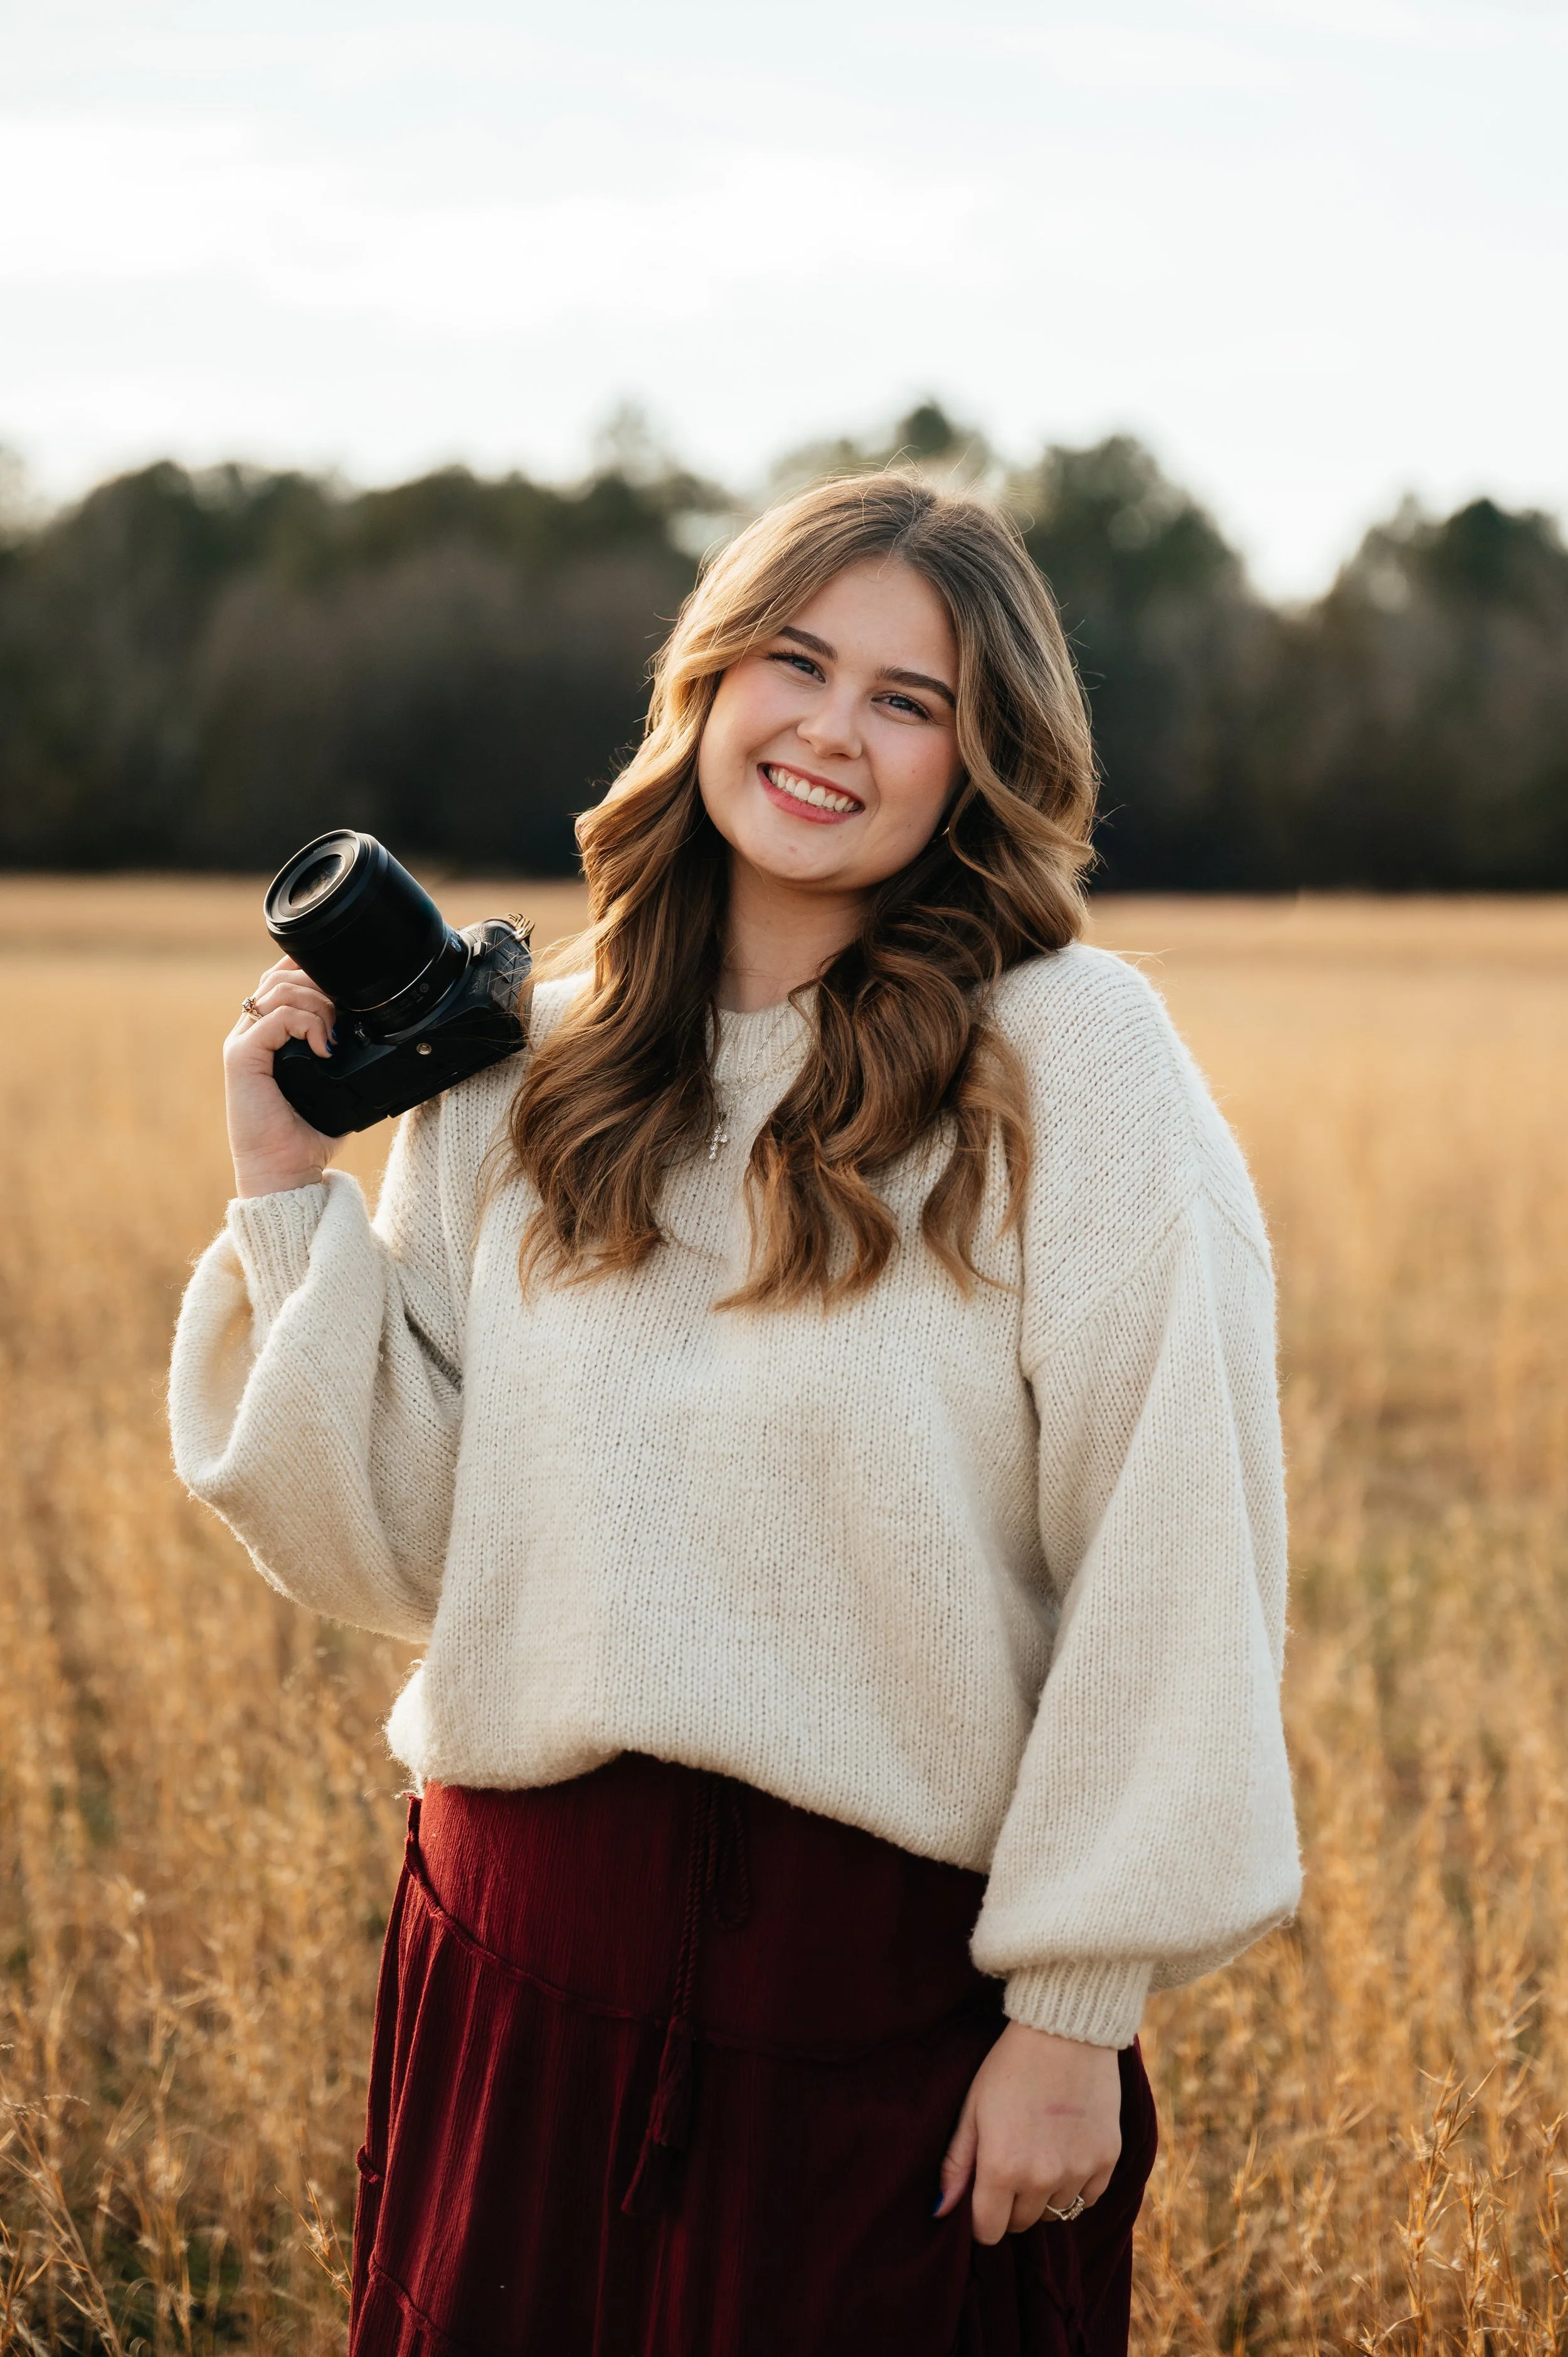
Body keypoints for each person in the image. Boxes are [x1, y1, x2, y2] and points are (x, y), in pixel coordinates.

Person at [169, 473, 1300, 2357]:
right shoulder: (526, 1062)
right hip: (517, 1961)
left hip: (887, 2029)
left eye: (905, 699)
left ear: (976, 759)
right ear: (706, 681)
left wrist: (1074, 2012)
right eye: (795, 660)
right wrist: (285, 1191)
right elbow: (411, 1541)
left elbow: (1172, 1533)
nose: (830, 731)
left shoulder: (1074, 1061)